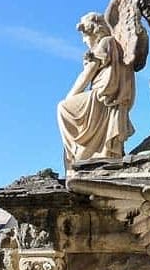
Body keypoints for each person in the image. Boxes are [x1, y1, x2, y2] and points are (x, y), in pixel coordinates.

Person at [57, 13, 134, 170]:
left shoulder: (106, 42)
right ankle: (91, 151)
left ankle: (83, 151)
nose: (84, 41)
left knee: (63, 108)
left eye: (85, 36)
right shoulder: (111, 43)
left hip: (102, 97)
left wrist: (70, 97)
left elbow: (87, 74)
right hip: (106, 97)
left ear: (93, 31)